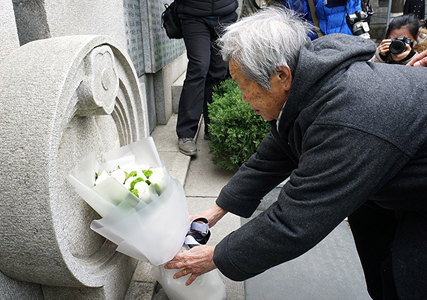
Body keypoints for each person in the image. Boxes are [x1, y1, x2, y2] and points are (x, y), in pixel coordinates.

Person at [165, 6, 427, 300]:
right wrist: (216, 211)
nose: (242, 98)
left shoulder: (347, 115)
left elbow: (295, 219)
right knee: (381, 268)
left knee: (410, 276)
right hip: (389, 182)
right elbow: (276, 152)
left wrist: (216, 257)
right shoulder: (314, 82)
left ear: (281, 75)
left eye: (244, 86)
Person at [175, 0, 238, 156]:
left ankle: (212, 127)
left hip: (225, 15)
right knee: (199, 67)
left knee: (219, 71)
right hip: (193, 14)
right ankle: (186, 133)